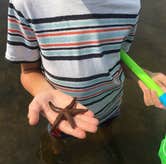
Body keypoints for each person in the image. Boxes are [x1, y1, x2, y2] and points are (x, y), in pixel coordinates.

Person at [5, 0, 166, 141]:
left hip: (110, 105)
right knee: (58, 138)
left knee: (106, 130)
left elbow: (117, 56)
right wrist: (43, 90)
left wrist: (144, 76)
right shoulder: (25, 4)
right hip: (62, 111)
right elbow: (28, 72)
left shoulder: (130, 5)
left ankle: (105, 137)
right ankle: (54, 146)